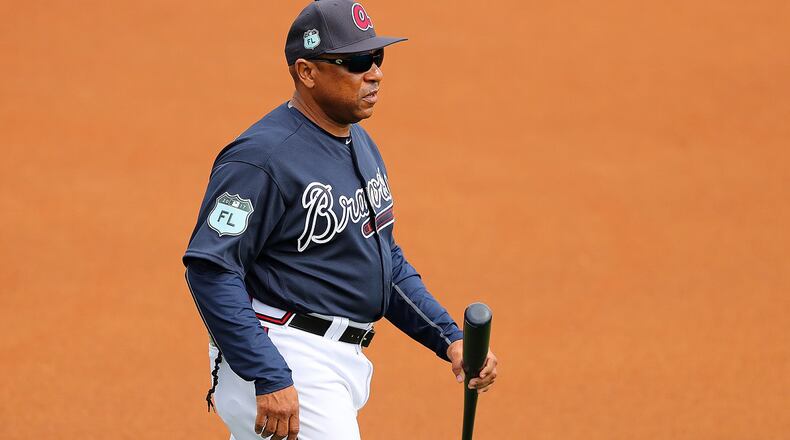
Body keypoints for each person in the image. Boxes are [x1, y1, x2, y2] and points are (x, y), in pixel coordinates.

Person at [183, 1, 498, 439]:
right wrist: (269, 373)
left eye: (376, 57)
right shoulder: (261, 158)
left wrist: (447, 337)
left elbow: (382, 262)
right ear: (306, 72)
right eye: (354, 62)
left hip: (336, 361)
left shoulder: (360, 144)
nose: (374, 73)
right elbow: (211, 268)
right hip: (285, 352)